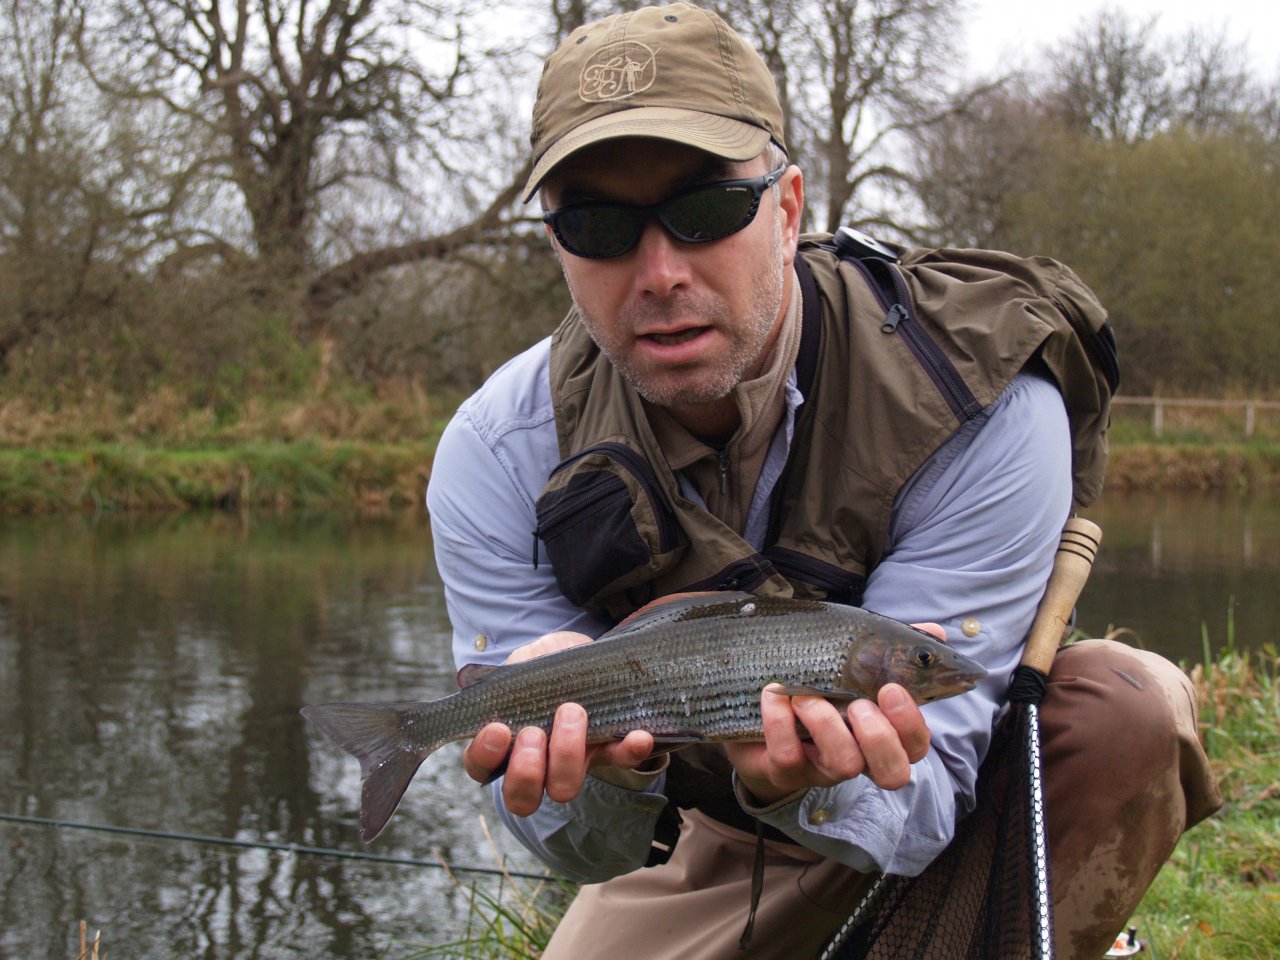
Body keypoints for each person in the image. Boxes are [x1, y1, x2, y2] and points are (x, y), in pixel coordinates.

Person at [425, 4, 1221, 958]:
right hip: (698, 842)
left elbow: (933, 796)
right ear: (558, 244)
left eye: (707, 208)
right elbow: (580, 850)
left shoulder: (978, 399)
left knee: (1127, 708)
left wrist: (808, 780)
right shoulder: (495, 451)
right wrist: (601, 776)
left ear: (789, 207)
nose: (661, 271)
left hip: (957, 804)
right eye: (598, 224)